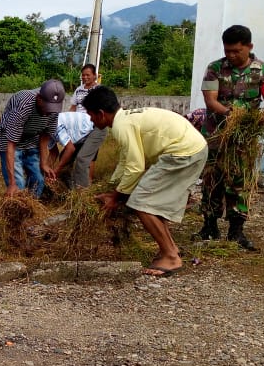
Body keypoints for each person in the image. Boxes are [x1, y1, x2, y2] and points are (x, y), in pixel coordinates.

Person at [83, 87, 208, 277]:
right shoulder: (125, 119)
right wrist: (112, 186)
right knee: (151, 203)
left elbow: (135, 167)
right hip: (192, 149)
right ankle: (169, 249)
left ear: (100, 114)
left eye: (91, 115)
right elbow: (126, 160)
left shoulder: (121, 126)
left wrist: (116, 197)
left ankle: (171, 257)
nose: (91, 120)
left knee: (141, 203)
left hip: (183, 153)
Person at [197, 24, 264, 250]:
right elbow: (210, 100)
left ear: (249, 47)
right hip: (215, 135)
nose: (231, 56)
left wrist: (263, 117)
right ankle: (209, 226)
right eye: (228, 51)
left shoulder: (263, 70)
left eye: (236, 51)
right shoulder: (213, 68)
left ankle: (236, 231)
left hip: (244, 139)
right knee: (212, 179)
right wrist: (230, 114)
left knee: (240, 182)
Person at [0, 79, 66, 198]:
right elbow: (11, 145)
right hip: (9, 138)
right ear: (39, 98)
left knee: (39, 180)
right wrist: (12, 183)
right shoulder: (24, 105)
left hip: (32, 137)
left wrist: (44, 164)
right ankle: (17, 208)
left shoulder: (54, 109)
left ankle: (32, 206)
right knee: (19, 186)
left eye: (52, 109)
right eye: (47, 108)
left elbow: (44, 138)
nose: (49, 113)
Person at [69, 63, 108, 182]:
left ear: (95, 76)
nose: (85, 77)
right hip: (78, 127)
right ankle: (73, 179)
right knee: (74, 152)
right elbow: (73, 107)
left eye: (88, 75)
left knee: (90, 155)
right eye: (83, 75)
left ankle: (88, 182)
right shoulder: (78, 90)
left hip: (93, 126)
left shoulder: (99, 90)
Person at [48, 111, 97, 189]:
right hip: (80, 134)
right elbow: (53, 153)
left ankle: (87, 188)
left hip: (94, 126)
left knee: (84, 159)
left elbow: (70, 149)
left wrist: (56, 170)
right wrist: (47, 172)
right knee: (64, 157)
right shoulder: (46, 132)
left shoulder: (55, 126)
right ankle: (70, 186)